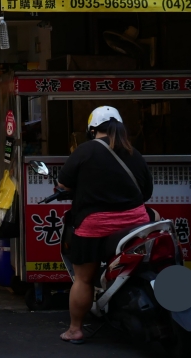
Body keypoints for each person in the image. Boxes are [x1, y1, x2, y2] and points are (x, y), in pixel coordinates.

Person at [55, 106, 153, 344]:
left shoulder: (84, 151)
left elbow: (63, 184)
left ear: (92, 129)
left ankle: (75, 329)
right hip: (137, 224)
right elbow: (146, 192)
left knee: (84, 279)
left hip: (95, 225)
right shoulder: (134, 153)